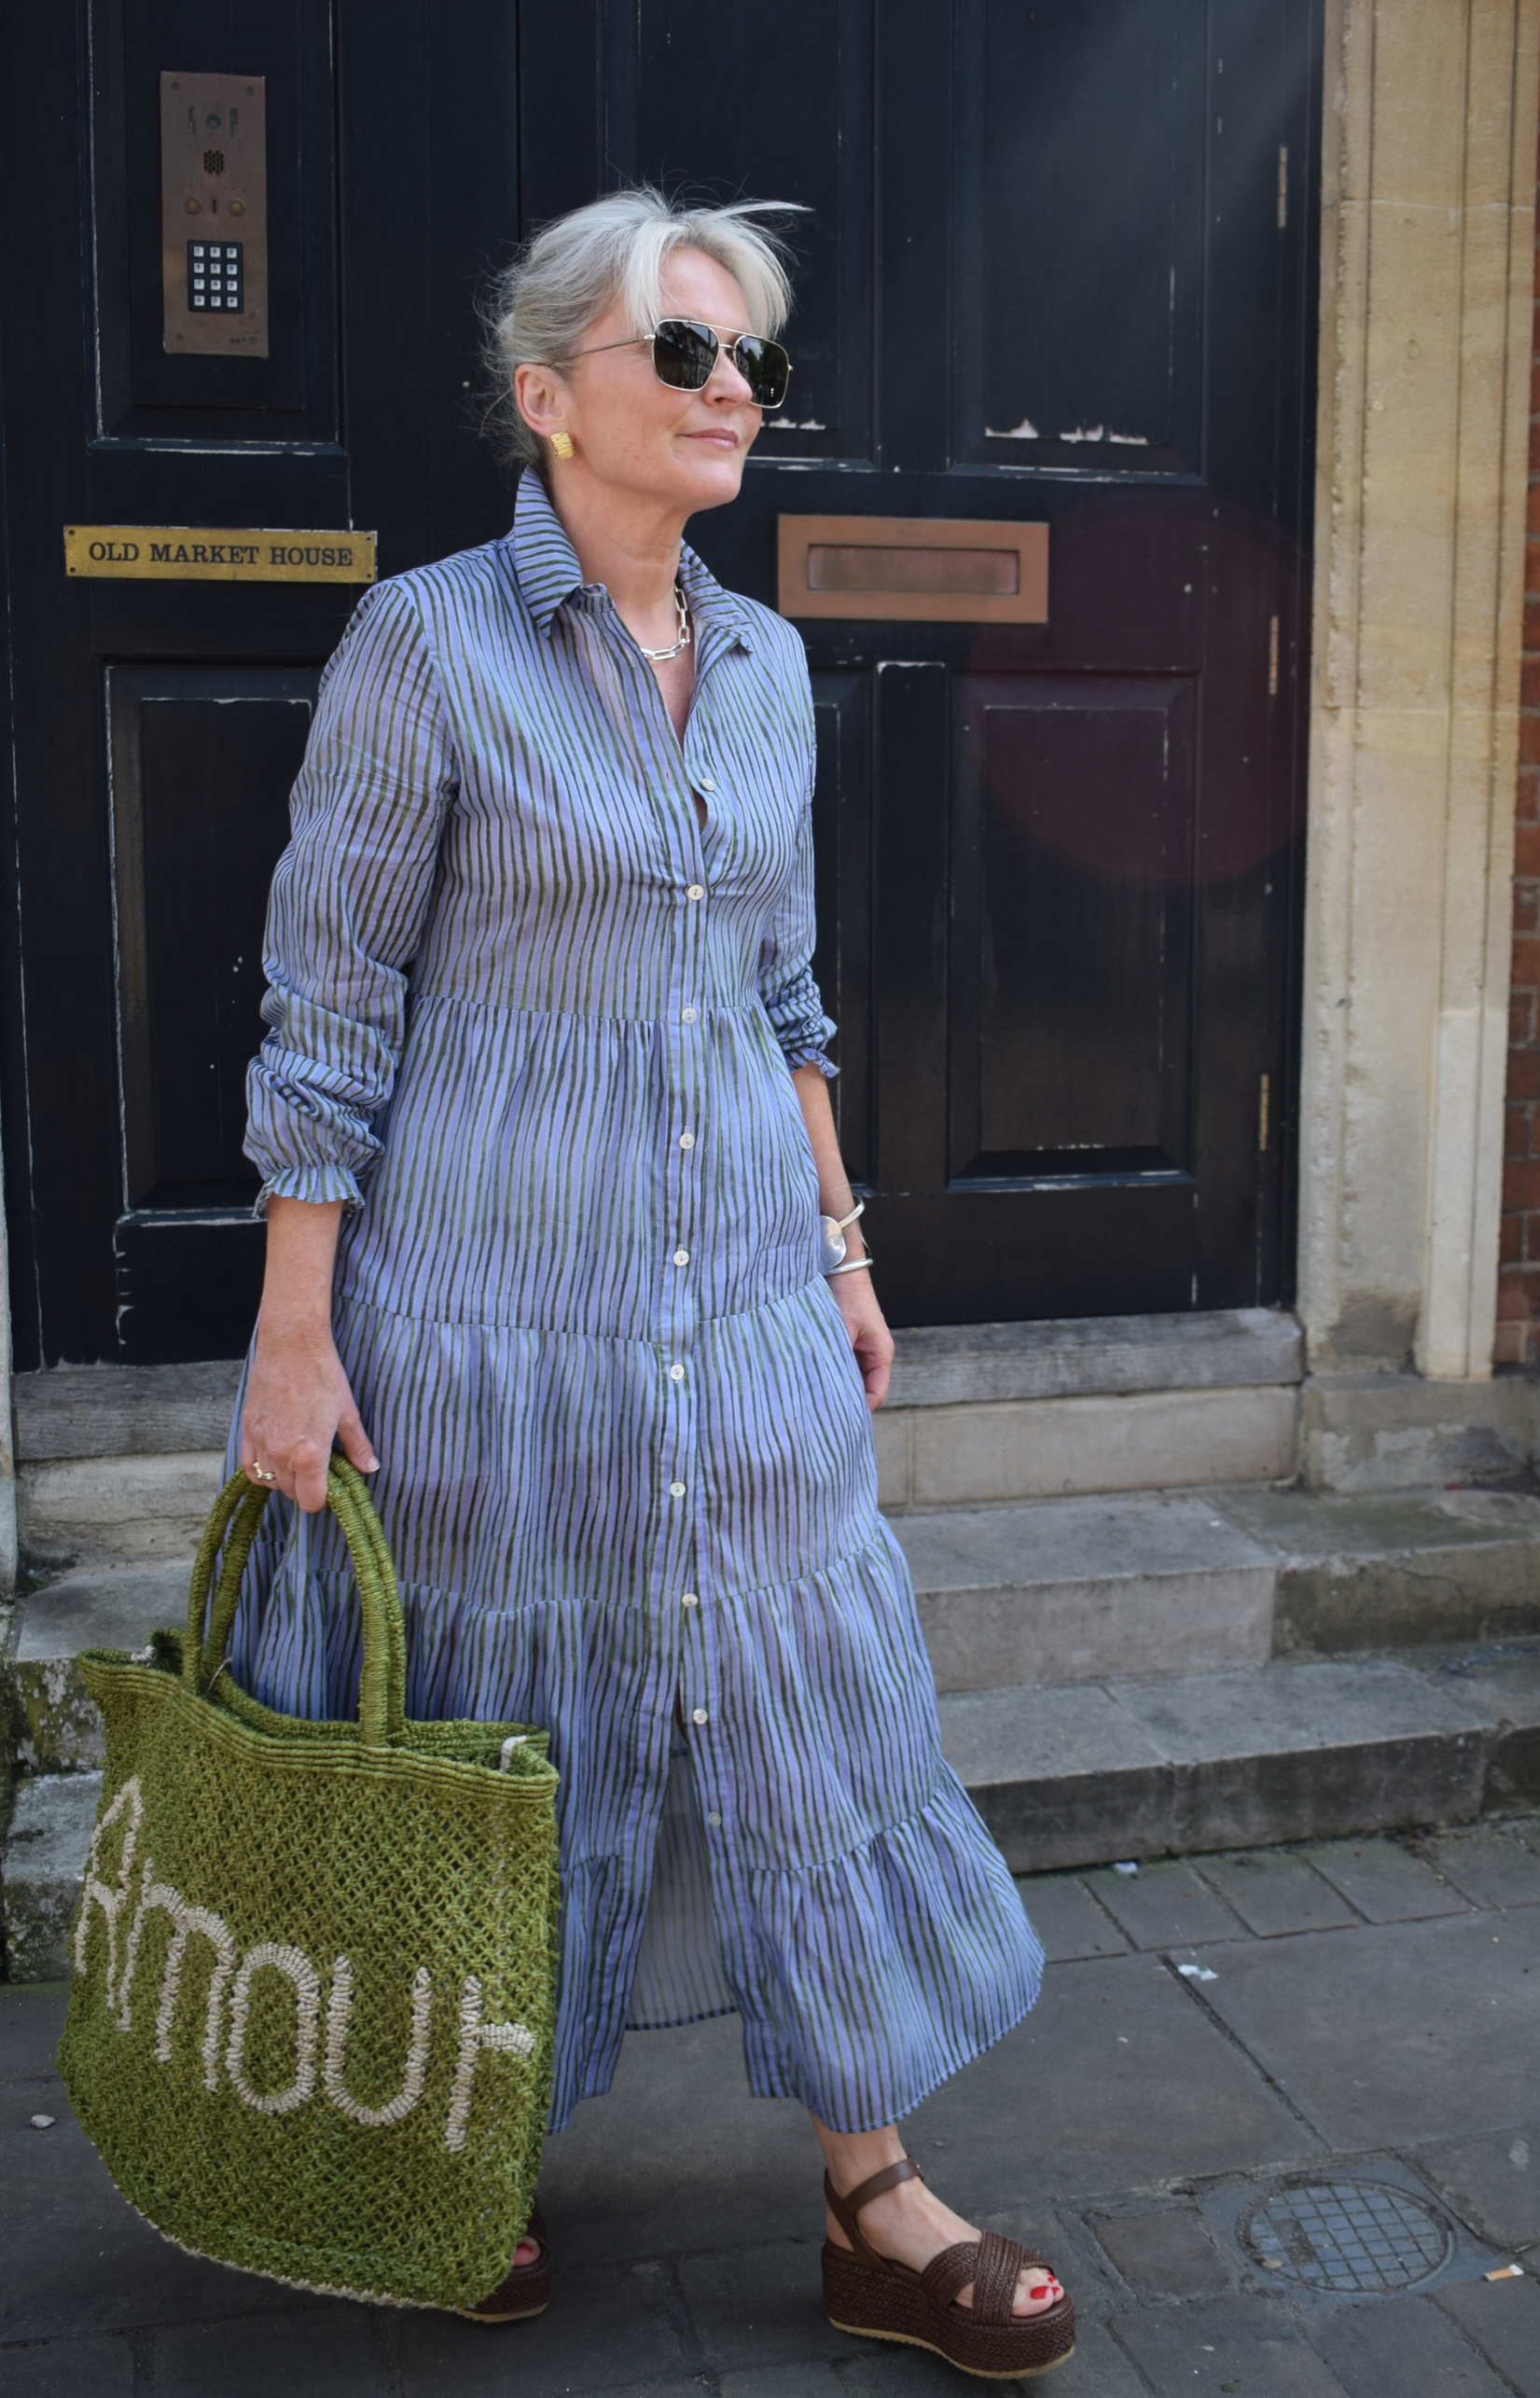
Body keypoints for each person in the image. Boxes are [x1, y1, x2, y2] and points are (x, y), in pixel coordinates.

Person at [229, 187, 1072, 2378]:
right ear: (546, 398)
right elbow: (328, 1006)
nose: (730, 396)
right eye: (680, 354)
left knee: (807, 1700)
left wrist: (844, 1241)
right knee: (505, 1723)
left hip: (745, 1296)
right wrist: (293, 1335)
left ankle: (873, 2191)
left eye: (749, 363)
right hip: (487, 1317)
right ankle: (458, 2143)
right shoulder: (426, 646)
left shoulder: (773, 660)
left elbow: (775, 987)